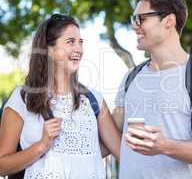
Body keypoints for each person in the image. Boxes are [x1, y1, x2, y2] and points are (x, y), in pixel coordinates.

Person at [113, 0, 192, 179]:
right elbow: (110, 139)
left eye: (141, 18)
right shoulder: (131, 77)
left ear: (169, 21)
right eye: (133, 19)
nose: (134, 25)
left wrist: (164, 146)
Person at [0, 14, 121, 179]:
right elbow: (2, 166)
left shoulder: (93, 100)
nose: (79, 48)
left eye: (80, 42)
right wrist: (42, 146)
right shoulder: (22, 99)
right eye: (70, 42)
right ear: (49, 49)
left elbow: (119, 150)